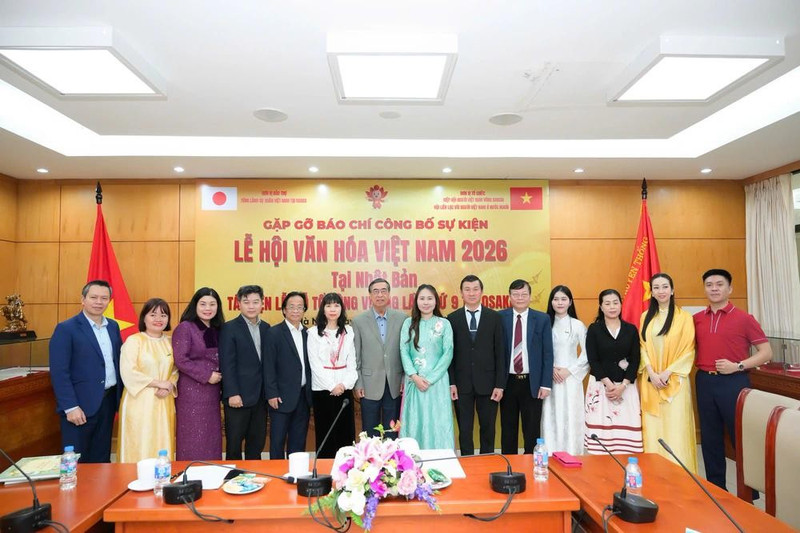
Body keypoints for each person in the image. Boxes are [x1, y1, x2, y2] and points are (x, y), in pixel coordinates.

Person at [694, 268, 772, 491]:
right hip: (705, 382)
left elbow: (766, 352)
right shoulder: (697, 319)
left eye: (719, 284)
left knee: (741, 438)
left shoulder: (744, 318)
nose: (714, 288)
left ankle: (749, 492)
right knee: (710, 438)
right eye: (709, 284)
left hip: (735, 382)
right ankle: (717, 490)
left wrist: (737, 366)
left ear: (730, 288)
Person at [49, 280, 122, 463]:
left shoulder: (113, 326)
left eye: (104, 298)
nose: (99, 302)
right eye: (94, 297)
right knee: (77, 462)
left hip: (108, 402)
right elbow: (59, 372)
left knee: (101, 458)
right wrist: (70, 407)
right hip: (79, 406)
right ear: (83, 299)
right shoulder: (66, 329)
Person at [638, 273, 698, 473]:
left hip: (675, 383)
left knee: (676, 428)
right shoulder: (645, 317)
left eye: (665, 287)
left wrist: (667, 373)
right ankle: (655, 474)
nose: (661, 291)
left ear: (672, 290)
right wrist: (651, 372)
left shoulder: (685, 318)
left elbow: (689, 349)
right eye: (656, 288)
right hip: (650, 381)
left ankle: (680, 475)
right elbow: (642, 347)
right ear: (652, 292)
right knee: (654, 429)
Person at [447, 275, 505, 455]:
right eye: (467, 289)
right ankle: (467, 463)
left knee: (488, 429)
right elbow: (449, 355)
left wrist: (500, 385)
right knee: (465, 430)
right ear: (461, 293)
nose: (471, 293)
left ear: (481, 292)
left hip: (488, 384)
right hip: (462, 384)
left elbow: (501, 353)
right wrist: (452, 382)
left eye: (475, 289)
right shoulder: (452, 318)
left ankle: (486, 463)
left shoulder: (494, 317)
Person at [117, 299, 178, 462]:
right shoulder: (134, 341)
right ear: (144, 318)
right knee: (140, 441)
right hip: (139, 401)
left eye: (163, 315)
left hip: (164, 400)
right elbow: (128, 371)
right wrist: (159, 383)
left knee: (162, 442)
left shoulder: (170, 342)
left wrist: (169, 385)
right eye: (153, 314)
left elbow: (176, 369)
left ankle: (161, 481)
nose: (159, 318)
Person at [583, 289, 643, 454]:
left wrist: (622, 386)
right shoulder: (594, 329)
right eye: (607, 303)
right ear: (601, 307)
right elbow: (593, 360)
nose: (612, 307)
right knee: (601, 441)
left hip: (626, 388)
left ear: (621, 305)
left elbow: (635, 359)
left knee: (626, 442)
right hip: (601, 388)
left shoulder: (631, 329)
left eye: (615, 302)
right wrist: (610, 385)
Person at [498, 279, 554, 454]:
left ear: (530, 296)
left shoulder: (542, 319)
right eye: (516, 294)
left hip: (533, 382)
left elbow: (547, 353)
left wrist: (545, 384)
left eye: (524, 294)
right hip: (508, 382)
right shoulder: (500, 317)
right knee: (508, 429)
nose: (520, 298)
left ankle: (531, 464)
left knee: (531, 429)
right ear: (510, 297)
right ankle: (510, 467)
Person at [400, 284, 455, 449]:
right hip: (414, 382)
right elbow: (403, 351)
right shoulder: (408, 324)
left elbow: (448, 354)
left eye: (430, 298)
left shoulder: (444, 324)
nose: (426, 302)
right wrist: (414, 376)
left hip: (437, 383)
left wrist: (430, 379)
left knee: (438, 422)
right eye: (422, 298)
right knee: (415, 422)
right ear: (416, 301)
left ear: (436, 301)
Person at [172, 287, 225, 460]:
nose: (207, 308)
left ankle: (211, 475)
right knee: (192, 437)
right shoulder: (185, 328)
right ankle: (190, 475)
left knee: (211, 436)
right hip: (191, 393)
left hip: (212, 392)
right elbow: (181, 360)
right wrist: (207, 375)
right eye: (203, 304)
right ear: (195, 305)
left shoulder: (218, 329)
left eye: (212, 304)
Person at [219, 285, 271, 460]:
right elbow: (227, 363)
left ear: (262, 304)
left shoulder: (267, 328)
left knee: (256, 444)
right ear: (238, 303)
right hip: (238, 398)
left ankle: (254, 481)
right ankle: (233, 483)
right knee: (234, 444)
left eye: (256, 302)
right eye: (246, 302)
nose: (251, 306)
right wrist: (232, 393)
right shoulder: (229, 328)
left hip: (261, 398)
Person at [352, 278, 406, 438]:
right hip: (368, 385)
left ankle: (391, 462)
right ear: (369, 295)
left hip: (394, 384)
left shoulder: (402, 319)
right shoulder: (359, 321)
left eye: (383, 291)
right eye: (375, 291)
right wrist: (358, 382)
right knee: (370, 431)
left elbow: (405, 352)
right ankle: (370, 462)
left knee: (392, 431)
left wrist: (404, 378)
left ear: (389, 294)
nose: (380, 295)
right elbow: (356, 355)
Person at [308, 293, 357, 458]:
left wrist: (343, 385)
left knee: (345, 434)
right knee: (325, 433)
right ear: (323, 309)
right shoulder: (313, 333)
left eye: (336, 305)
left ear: (341, 309)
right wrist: (331, 386)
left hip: (344, 390)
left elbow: (352, 363)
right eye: (328, 305)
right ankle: (325, 473)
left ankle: (347, 473)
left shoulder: (348, 332)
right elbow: (314, 365)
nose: (332, 309)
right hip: (323, 390)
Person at [264, 291, 312, 459]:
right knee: (277, 441)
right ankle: (277, 477)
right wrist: (272, 393)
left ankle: (295, 476)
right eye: (291, 307)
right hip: (280, 397)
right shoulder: (274, 333)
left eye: (300, 307)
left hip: (303, 397)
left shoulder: (309, 334)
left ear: (304, 310)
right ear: (284, 310)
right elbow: (268, 366)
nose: (296, 311)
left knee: (298, 442)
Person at [542, 285, 587, 456]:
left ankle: (572, 453)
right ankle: (550, 453)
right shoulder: (545, 323)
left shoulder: (577, 325)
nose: (559, 303)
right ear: (551, 302)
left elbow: (586, 354)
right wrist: (550, 369)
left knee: (571, 415)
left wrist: (569, 371)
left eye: (563, 299)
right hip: (550, 378)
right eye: (556, 299)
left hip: (571, 379)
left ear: (570, 302)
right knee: (551, 417)